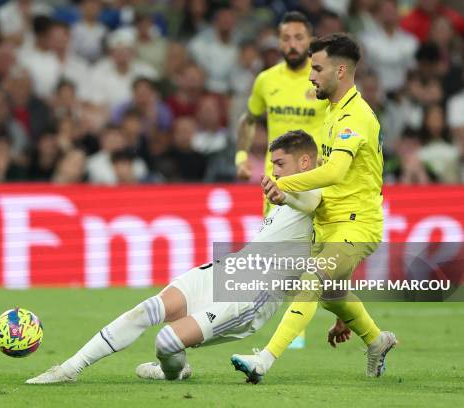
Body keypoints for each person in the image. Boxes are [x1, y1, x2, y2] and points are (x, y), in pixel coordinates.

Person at [26, 130, 322, 384]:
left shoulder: (316, 193)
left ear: (305, 162)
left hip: (251, 295)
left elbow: (310, 202)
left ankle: (172, 372)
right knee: (146, 310)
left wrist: (286, 196)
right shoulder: (282, 194)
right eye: (273, 165)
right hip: (227, 270)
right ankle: (68, 369)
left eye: (280, 164)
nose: (275, 172)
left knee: (165, 341)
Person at [231, 33, 397, 384]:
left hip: (356, 223)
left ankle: (264, 360)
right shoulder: (333, 111)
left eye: (317, 68)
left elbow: (335, 172)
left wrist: (284, 183)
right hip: (329, 222)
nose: (311, 76)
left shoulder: (355, 117)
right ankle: (377, 340)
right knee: (330, 293)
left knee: (312, 280)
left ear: (340, 71)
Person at [235, 11, 329, 215]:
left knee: (315, 246)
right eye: (286, 38)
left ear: (311, 41)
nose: (292, 45)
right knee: (276, 247)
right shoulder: (266, 80)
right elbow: (249, 119)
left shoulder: (323, 78)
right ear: (279, 42)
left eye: (298, 38)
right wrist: (242, 157)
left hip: (315, 183)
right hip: (276, 185)